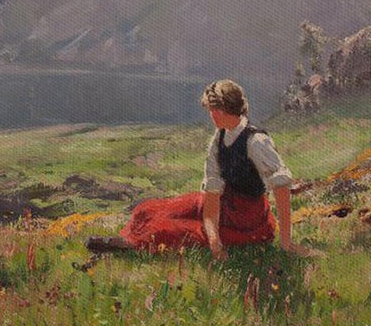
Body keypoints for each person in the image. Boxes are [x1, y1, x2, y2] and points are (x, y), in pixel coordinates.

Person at [87, 79, 308, 258]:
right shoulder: (219, 138)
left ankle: (128, 245)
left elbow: (280, 188)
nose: (210, 114)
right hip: (222, 204)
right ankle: (125, 238)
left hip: (249, 223)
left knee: (167, 229)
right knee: (147, 209)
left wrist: (285, 244)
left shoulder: (256, 141)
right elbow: (211, 195)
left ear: (221, 110)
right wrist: (214, 241)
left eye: (211, 109)